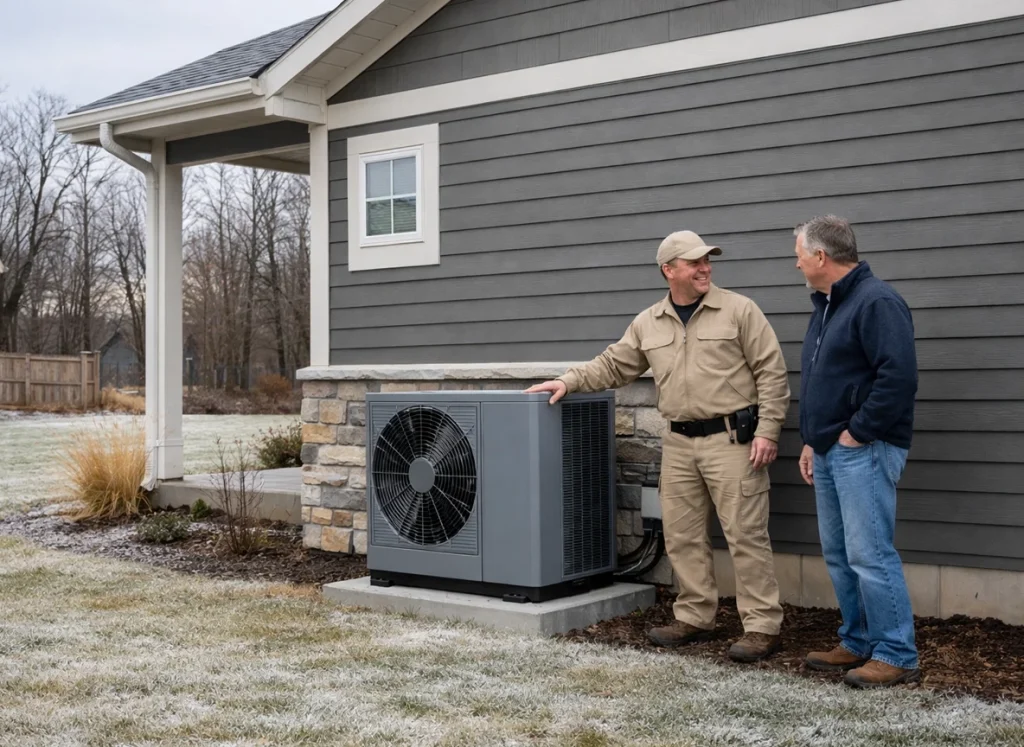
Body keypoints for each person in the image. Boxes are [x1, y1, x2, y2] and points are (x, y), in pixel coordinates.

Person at [526, 230, 790, 662]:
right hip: (680, 443)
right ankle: (694, 617)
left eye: (708, 261)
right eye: (694, 262)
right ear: (669, 271)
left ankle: (762, 626)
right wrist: (567, 380)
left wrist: (768, 430)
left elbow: (772, 373)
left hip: (732, 440)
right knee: (683, 536)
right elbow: (614, 364)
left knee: (746, 535)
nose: (705, 268)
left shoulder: (740, 310)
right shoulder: (649, 321)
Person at [792, 215, 921, 689]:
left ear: (821, 257)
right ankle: (858, 640)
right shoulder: (828, 305)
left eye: (800, 254)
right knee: (841, 553)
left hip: (863, 449)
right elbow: (831, 382)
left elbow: (897, 379)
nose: (797, 263)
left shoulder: (877, 302)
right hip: (829, 450)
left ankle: (897, 653)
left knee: (870, 553)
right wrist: (813, 439)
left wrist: (857, 433)